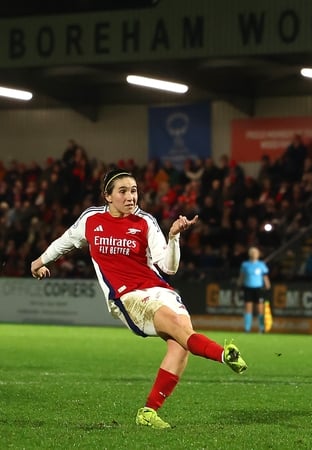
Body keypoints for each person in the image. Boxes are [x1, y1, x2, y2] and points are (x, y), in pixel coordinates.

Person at [29, 169, 247, 429]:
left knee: (180, 344)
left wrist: (174, 237)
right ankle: (223, 355)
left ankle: (148, 412)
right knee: (180, 330)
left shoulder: (145, 221)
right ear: (107, 196)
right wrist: (39, 262)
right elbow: (64, 242)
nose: (131, 197)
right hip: (126, 295)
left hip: (159, 289)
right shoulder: (91, 219)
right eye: (123, 191)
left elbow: (169, 268)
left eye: (133, 190)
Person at [238, 246, 272, 333]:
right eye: (252, 253)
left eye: (255, 253)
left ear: (258, 254)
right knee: (248, 308)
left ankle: (261, 328)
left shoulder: (261, 265)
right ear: (250, 254)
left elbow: (265, 276)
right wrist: (239, 283)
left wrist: (267, 285)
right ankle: (247, 328)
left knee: (260, 309)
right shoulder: (245, 264)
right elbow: (242, 276)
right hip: (248, 288)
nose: (254, 254)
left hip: (258, 288)